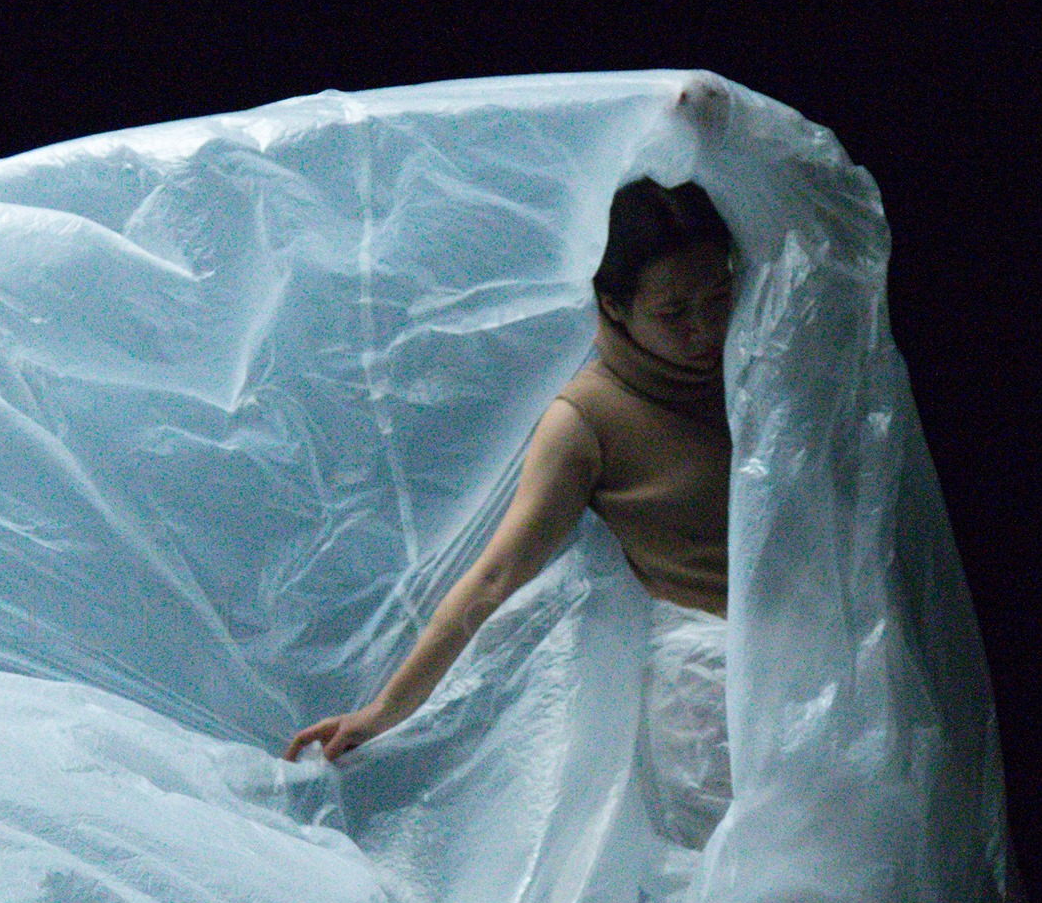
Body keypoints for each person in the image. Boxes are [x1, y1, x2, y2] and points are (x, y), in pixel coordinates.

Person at [284, 176, 736, 803]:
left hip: (818, 641)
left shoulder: (758, 358)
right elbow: (495, 577)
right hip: (711, 690)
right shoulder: (586, 419)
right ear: (613, 306)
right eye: (673, 313)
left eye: (718, 298)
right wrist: (386, 709)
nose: (704, 329)